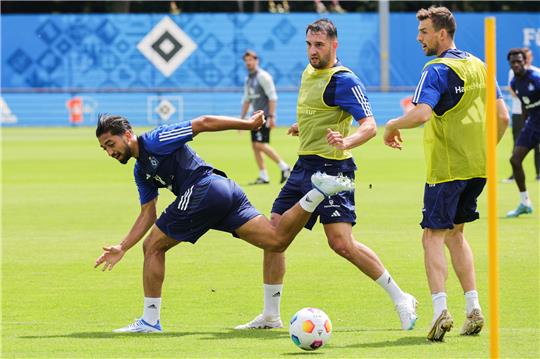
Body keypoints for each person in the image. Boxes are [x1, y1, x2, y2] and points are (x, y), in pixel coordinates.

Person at [94, 111, 355, 333]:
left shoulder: (156, 139)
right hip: (224, 192)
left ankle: (150, 321)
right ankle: (316, 193)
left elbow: (203, 123)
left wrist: (248, 125)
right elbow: (147, 214)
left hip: (204, 188)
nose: (109, 152)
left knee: (152, 246)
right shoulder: (141, 171)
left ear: (127, 135)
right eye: (104, 148)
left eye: (110, 143)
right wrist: (122, 246)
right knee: (276, 241)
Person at [236, 18, 418, 332]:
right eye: (309, 44)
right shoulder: (309, 72)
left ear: (335, 45)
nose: (313, 51)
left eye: (319, 45)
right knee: (272, 235)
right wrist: (302, 127)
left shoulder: (344, 80)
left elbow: (370, 125)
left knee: (341, 244)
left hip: (333, 171)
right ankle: (270, 315)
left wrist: (346, 141)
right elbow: (316, 112)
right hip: (303, 167)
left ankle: (402, 297)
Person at [383, 6, 509, 341]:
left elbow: (422, 114)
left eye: (424, 32)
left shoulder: (437, 69)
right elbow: (504, 117)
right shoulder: (480, 65)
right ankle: (474, 307)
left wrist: (393, 124)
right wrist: (484, 152)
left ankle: (440, 311)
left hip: (447, 170)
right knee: (457, 235)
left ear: (442, 33)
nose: (418, 38)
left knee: (432, 237)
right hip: (478, 168)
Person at [240, 50, 291, 185]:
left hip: (264, 117)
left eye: (251, 60)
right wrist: (242, 119)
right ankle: (263, 176)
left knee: (260, 144)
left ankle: (284, 167)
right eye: (246, 61)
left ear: (256, 61)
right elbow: (247, 100)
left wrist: (271, 116)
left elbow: (273, 97)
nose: (248, 63)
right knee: (255, 146)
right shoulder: (248, 79)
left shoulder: (263, 77)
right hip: (254, 118)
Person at [506, 48, 540, 217]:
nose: (516, 64)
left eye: (519, 61)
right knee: (515, 159)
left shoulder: (536, 78)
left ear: (525, 61)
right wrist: (528, 123)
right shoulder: (514, 83)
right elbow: (526, 105)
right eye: (513, 62)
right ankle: (525, 203)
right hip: (533, 124)